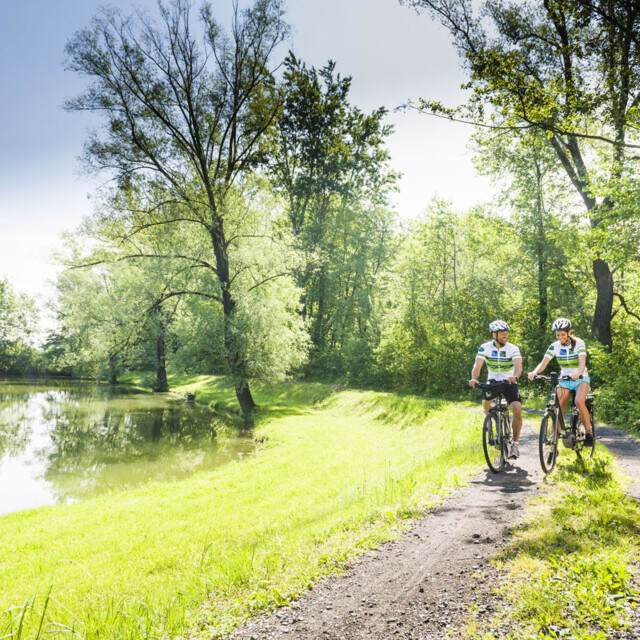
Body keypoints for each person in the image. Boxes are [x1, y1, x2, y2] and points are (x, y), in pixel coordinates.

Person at [527, 317, 593, 446]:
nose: (560, 337)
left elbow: (582, 363)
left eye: (563, 334)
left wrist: (578, 373)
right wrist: (535, 372)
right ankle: (555, 438)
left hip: (580, 378)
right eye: (558, 335)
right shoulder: (554, 346)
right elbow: (543, 363)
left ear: (569, 333)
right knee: (558, 406)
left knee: (579, 401)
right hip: (564, 379)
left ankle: (589, 433)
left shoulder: (579, 343)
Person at [469, 320, 523, 458]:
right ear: (494, 334)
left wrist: (515, 376)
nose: (505, 334)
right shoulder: (485, 347)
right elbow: (477, 366)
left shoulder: (513, 348)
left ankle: (515, 445)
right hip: (492, 381)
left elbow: (518, 366)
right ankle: (492, 419)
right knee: (486, 402)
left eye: (506, 332)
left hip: (509, 381)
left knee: (517, 408)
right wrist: (474, 378)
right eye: (502, 333)